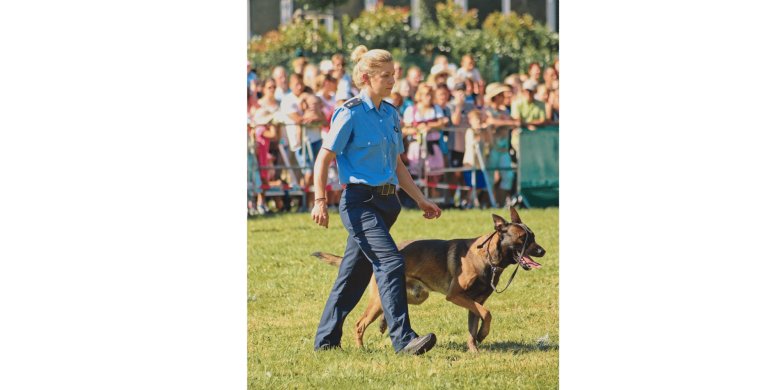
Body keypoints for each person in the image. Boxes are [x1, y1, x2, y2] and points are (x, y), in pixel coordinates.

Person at [310, 45, 441, 356]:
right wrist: (319, 200)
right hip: (359, 203)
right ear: (366, 77)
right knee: (391, 262)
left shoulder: (391, 114)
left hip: (387, 204)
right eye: (386, 76)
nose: (392, 80)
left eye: (393, 75)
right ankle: (403, 339)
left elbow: (397, 165)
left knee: (353, 275)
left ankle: (325, 341)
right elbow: (323, 158)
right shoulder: (350, 112)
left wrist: (421, 200)